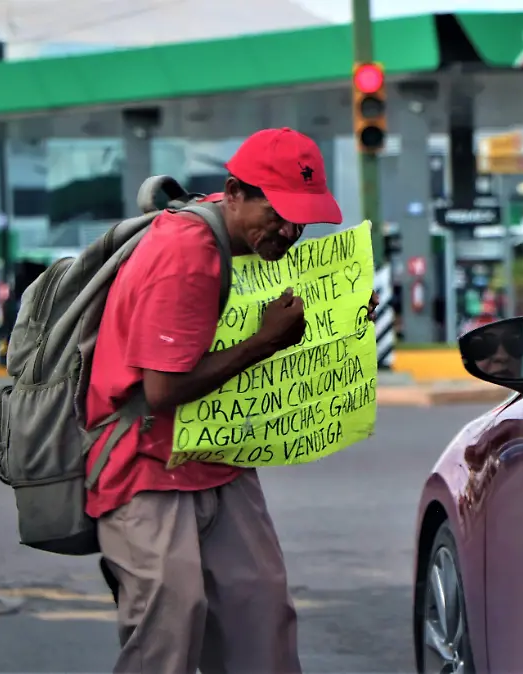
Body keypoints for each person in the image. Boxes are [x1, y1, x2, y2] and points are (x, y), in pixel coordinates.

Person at [84, 128, 378, 674]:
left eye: (303, 217)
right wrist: (266, 340)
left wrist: (342, 316)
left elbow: (267, 330)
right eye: (279, 213)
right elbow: (163, 390)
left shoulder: (254, 245)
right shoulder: (185, 253)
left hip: (220, 458)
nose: (291, 230)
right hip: (146, 465)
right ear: (234, 193)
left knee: (261, 619)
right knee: (170, 625)